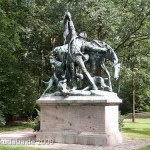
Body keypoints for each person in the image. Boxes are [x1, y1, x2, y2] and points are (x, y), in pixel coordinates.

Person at [63, 11, 107, 90]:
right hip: (70, 56)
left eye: (83, 34)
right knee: (73, 72)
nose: (82, 33)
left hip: (78, 56)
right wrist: (69, 18)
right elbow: (72, 27)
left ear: (84, 37)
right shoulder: (74, 36)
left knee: (84, 71)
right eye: (82, 33)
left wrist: (102, 49)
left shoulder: (85, 42)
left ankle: (93, 85)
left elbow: (93, 48)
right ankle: (74, 86)